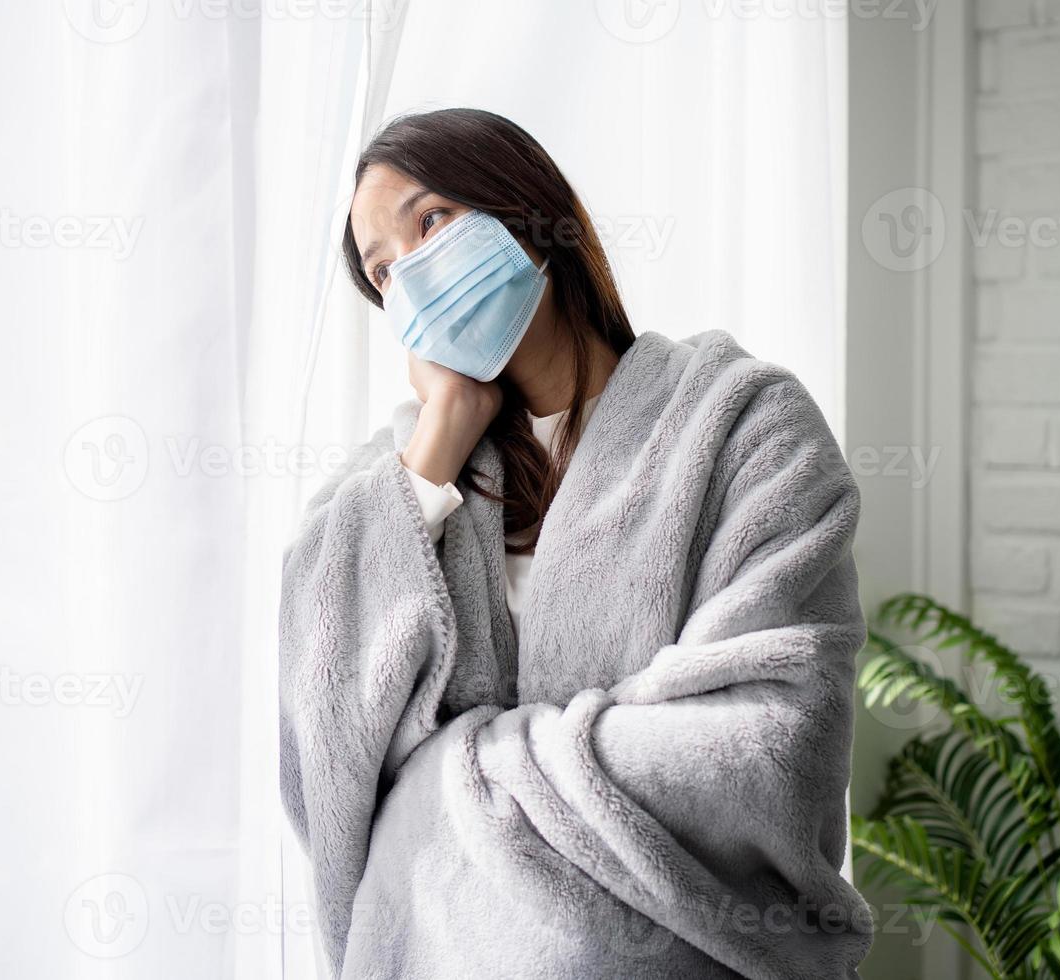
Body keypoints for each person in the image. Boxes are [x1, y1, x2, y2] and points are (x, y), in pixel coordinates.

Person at [279, 107, 874, 979]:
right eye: (383, 271)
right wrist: (444, 430)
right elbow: (327, 747)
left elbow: (768, 751)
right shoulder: (406, 483)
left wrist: (448, 781)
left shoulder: (744, 425)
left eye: (431, 220)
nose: (413, 272)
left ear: (524, 207)